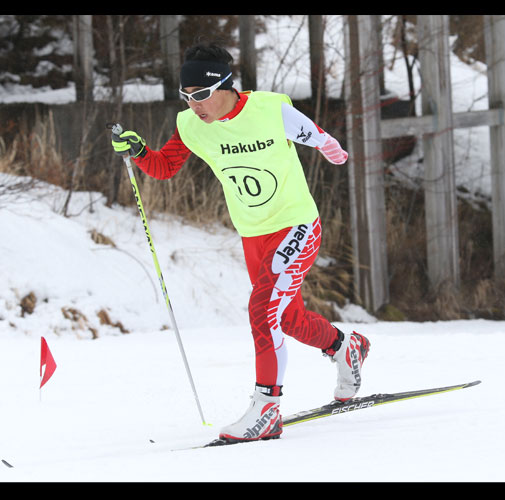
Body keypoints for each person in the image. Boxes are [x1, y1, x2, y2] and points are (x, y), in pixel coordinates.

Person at [111, 42, 370, 443]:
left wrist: (333, 150)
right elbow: (163, 168)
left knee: (263, 309)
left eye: (200, 95)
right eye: (185, 96)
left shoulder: (269, 110)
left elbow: (321, 140)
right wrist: (140, 151)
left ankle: (267, 409)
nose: (194, 105)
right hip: (254, 236)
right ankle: (344, 346)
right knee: (286, 319)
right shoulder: (191, 126)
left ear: (225, 85)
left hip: (296, 226)